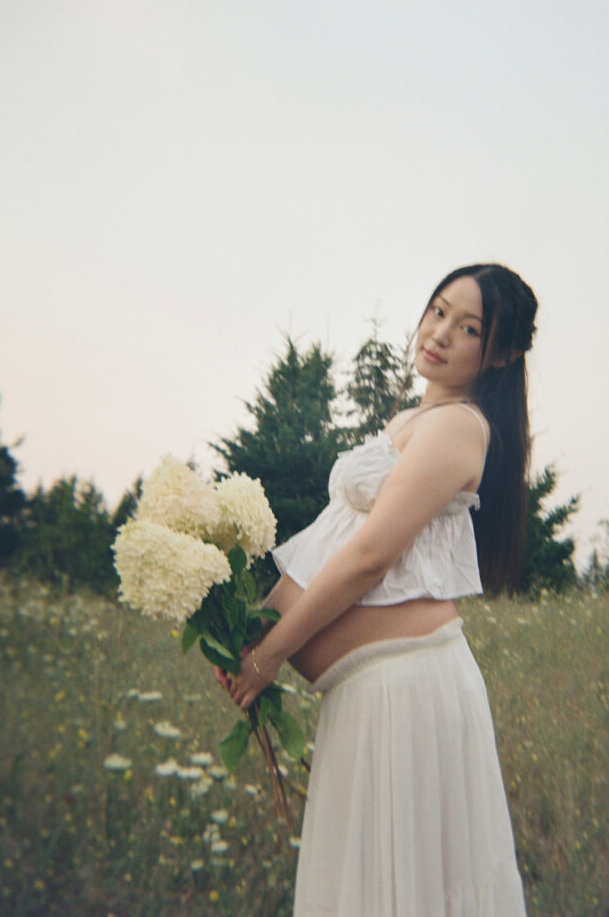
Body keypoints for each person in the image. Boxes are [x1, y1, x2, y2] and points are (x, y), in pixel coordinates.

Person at [219, 263, 535, 917]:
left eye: (469, 328)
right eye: (438, 310)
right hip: (367, 693)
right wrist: (245, 626)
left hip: (406, 693)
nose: (440, 332)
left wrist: (272, 654)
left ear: (501, 354)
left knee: (399, 894)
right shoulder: (412, 424)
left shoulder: (459, 427)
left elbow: (369, 557)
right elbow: (333, 541)